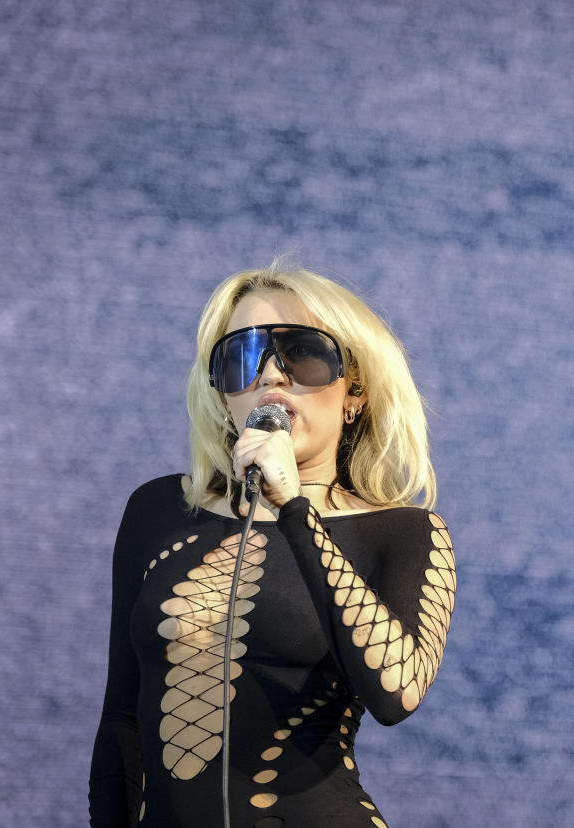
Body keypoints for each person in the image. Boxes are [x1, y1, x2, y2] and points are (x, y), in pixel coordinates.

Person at [89, 262, 455, 827]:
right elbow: (122, 720)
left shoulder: (404, 532)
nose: (271, 376)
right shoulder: (158, 510)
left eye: (303, 352)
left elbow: (396, 693)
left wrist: (295, 509)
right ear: (222, 394)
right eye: (243, 356)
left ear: (354, 389)